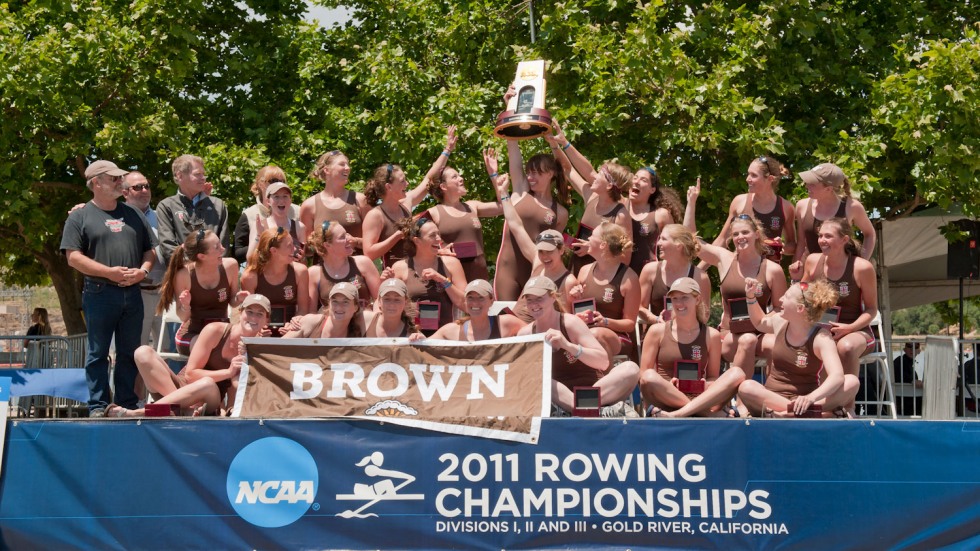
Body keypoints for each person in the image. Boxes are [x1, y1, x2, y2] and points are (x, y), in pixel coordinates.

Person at [60, 159, 156, 417]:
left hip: (133, 292)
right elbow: (73, 257)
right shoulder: (79, 216)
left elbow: (150, 251)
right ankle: (99, 406)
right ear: (95, 183)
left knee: (129, 352)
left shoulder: (133, 213)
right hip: (99, 293)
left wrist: (142, 272)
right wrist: (109, 273)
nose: (119, 181)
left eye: (119, 177)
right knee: (97, 353)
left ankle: (125, 403)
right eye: (113, 178)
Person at [685, 182, 787, 378]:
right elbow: (692, 241)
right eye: (736, 234)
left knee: (776, 344)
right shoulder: (725, 259)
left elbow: (780, 308)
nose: (740, 237)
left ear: (756, 234)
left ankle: (774, 395)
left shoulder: (772, 270)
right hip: (730, 334)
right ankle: (738, 400)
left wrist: (760, 320)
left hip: (760, 332)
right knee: (746, 340)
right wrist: (691, 202)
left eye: (745, 232)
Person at [120, 294, 274, 417]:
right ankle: (177, 410)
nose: (253, 318)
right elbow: (190, 375)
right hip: (175, 389)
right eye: (250, 312)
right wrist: (228, 372)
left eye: (260, 314)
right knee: (142, 353)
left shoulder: (259, 348)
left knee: (207, 384)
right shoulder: (215, 331)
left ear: (267, 319)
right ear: (240, 313)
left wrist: (229, 410)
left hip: (209, 399)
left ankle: (143, 412)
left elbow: (237, 390)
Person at [516, 276, 639, 417]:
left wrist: (567, 345)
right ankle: (594, 411)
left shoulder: (570, 323)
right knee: (540, 380)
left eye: (539, 298)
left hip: (592, 391)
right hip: (558, 397)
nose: (534, 304)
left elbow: (603, 362)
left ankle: (580, 409)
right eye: (529, 299)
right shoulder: (525, 334)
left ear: (552, 297)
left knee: (631, 369)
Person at [737, 279, 852, 418]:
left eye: (786, 297)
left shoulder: (821, 338)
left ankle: (786, 415)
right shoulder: (780, 321)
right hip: (775, 398)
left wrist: (810, 398)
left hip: (807, 399)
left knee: (852, 381)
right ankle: (809, 414)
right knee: (746, 387)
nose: (780, 299)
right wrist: (750, 297)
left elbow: (837, 376)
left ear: (799, 308)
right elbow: (759, 322)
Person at [494, 89, 570, 300]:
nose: (531, 177)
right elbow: (513, 150)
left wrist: (553, 140)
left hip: (537, 272)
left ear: (552, 174)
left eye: (538, 172)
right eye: (529, 172)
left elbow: (557, 250)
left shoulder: (560, 213)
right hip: (508, 272)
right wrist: (510, 108)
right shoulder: (521, 191)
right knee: (504, 322)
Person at [799, 217, 877, 416]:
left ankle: (847, 406)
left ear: (844, 240)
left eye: (828, 236)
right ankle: (808, 402)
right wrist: (796, 279)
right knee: (816, 343)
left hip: (856, 330)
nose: (822, 240)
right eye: (820, 236)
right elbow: (802, 295)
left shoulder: (862, 267)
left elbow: (871, 310)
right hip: (821, 329)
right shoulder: (812, 261)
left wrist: (848, 329)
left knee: (845, 347)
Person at [639, 278, 741, 417]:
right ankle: (703, 412)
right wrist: (669, 384)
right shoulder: (657, 331)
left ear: (697, 299)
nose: (679, 303)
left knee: (737, 373)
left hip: (699, 396)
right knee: (648, 376)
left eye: (684, 298)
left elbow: (712, 377)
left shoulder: (711, 335)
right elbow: (643, 377)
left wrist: (706, 385)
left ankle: (686, 411)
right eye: (674, 299)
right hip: (666, 398)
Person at [362, 126, 458, 266]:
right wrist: (397, 236)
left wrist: (447, 150)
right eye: (402, 181)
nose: (407, 184)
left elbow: (429, 179)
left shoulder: (406, 203)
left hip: (416, 270)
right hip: (394, 276)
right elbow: (369, 253)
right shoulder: (375, 216)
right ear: (389, 187)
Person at [546, 121, 633, 272]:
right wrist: (556, 144)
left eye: (600, 175)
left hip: (599, 276)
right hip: (576, 268)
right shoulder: (592, 197)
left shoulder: (621, 215)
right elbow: (568, 170)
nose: (593, 176)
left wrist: (592, 248)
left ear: (609, 185)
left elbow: (626, 257)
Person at [491, 171, 582, 314]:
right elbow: (515, 225)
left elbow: (570, 319)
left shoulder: (569, 282)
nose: (544, 256)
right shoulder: (537, 261)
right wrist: (503, 192)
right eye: (541, 251)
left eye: (549, 251)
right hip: (515, 322)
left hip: (536, 329)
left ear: (561, 250)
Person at [157, 229, 246, 356]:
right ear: (201, 256)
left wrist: (239, 298)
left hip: (221, 333)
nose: (223, 249)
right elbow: (183, 317)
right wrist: (186, 305)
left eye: (220, 243)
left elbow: (232, 302)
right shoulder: (184, 274)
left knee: (236, 348)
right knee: (210, 349)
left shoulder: (230, 266)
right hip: (192, 334)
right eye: (217, 247)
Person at [790, 163, 876, 279]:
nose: (806, 186)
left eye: (812, 184)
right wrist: (796, 272)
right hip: (812, 274)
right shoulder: (802, 205)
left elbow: (870, 234)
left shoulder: (852, 207)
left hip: (843, 275)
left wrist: (859, 264)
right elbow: (801, 243)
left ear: (829, 189)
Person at [386, 217, 466, 335]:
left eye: (438, 234)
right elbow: (387, 305)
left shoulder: (452, 264)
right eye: (432, 235)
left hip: (443, 337)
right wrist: (385, 283)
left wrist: (443, 280)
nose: (439, 239)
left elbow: (465, 304)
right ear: (417, 241)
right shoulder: (400, 267)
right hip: (410, 337)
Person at [574, 222, 641, 362]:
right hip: (585, 332)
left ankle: (605, 380)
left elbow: (629, 324)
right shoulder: (584, 270)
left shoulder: (629, 278)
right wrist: (573, 297)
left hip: (616, 337)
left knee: (596, 334)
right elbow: (574, 312)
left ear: (603, 244)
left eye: (592, 235)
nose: (588, 239)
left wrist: (604, 322)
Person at [712, 156, 797, 263]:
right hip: (741, 271)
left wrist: (781, 247)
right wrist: (696, 270)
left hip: (770, 275)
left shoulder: (786, 207)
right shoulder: (739, 202)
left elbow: (793, 245)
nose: (747, 179)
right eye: (748, 174)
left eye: (753, 175)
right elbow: (722, 240)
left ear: (770, 179)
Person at [121, 171, 167, 347]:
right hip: (136, 293)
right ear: (125, 192)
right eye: (138, 187)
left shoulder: (161, 216)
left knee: (168, 349)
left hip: (165, 292)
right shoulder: (117, 217)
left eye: (146, 186)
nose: (144, 190)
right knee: (136, 349)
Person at [157, 154, 230, 265]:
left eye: (203, 174)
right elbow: (167, 246)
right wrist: (190, 266)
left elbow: (224, 243)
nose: (203, 178)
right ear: (180, 176)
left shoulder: (218, 205)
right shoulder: (166, 206)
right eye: (197, 174)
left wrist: (212, 266)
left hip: (214, 273)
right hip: (182, 273)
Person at [240, 227, 312, 336]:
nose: (295, 249)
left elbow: (303, 310)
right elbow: (247, 313)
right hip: (261, 332)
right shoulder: (250, 277)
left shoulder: (300, 271)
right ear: (274, 251)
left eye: (294, 244)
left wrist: (293, 324)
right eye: (289, 246)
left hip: (292, 332)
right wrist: (258, 328)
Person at [637, 224, 712, 326]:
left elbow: (705, 315)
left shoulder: (701, 277)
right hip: (658, 333)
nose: (658, 243)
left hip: (688, 335)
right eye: (659, 238)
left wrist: (681, 326)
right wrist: (657, 320)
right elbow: (640, 307)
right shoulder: (650, 270)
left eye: (663, 239)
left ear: (678, 245)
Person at [300, 150, 369, 253]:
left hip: (357, 266)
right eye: (342, 164)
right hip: (323, 268)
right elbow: (307, 250)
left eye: (348, 164)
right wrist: (315, 243)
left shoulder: (361, 200)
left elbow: (375, 243)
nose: (348, 168)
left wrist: (356, 242)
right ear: (327, 170)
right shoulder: (309, 205)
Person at [232, 165, 300, 263]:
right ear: (260, 184)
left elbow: (308, 250)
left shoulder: (297, 211)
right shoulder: (249, 215)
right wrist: (264, 243)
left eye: (282, 181)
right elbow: (238, 253)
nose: (278, 184)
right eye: (273, 181)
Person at [308, 221, 381, 310]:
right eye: (342, 237)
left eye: (347, 234)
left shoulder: (363, 263)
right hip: (333, 322)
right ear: (327, 245)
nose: (350, 239)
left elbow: (379, 299)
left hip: (364, 321)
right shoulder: (314, 273)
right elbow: (310, 312)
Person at [625, 167, 683, 275]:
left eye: (643, 180)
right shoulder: (619, 207)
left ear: (652, 189)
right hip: (620, 277)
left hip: (649, 278)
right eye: (635, 178)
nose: (636, 182)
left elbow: (676, 247)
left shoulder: (661, 214)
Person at [429, 280, 525, 340]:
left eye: (481, 297)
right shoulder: (452, 330)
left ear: (491, 301)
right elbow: (423, 346)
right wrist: (417, 338)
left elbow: (536, 335)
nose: (475, 302)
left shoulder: (506, 323)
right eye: (470, 297)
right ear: (465, 301)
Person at [245, 182, 306, 261]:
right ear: (268, 201)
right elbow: (250, 258)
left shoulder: (299, 227)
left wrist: (302, 258)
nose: (281, 201)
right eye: (276, 197)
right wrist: (259, 235)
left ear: (290, 200)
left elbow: (303, 262)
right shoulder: (259, 226)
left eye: (285, 196)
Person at [285, 282, 366, 338]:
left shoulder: (360, 329)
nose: (339, 307)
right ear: (329, 304)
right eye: (335, 301)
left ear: (356, 307)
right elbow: (279, 347)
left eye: (345, 302)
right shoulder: (311, 322)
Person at [893, 342, 922, 415]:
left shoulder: (910, 365)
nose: (912, 350)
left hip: (910, 402)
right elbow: (898, 375)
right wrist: (912, 381)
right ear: (904, 349)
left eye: (915, 347)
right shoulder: (899, 361)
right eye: (909, 346)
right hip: (904, 404)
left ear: (919, 351)